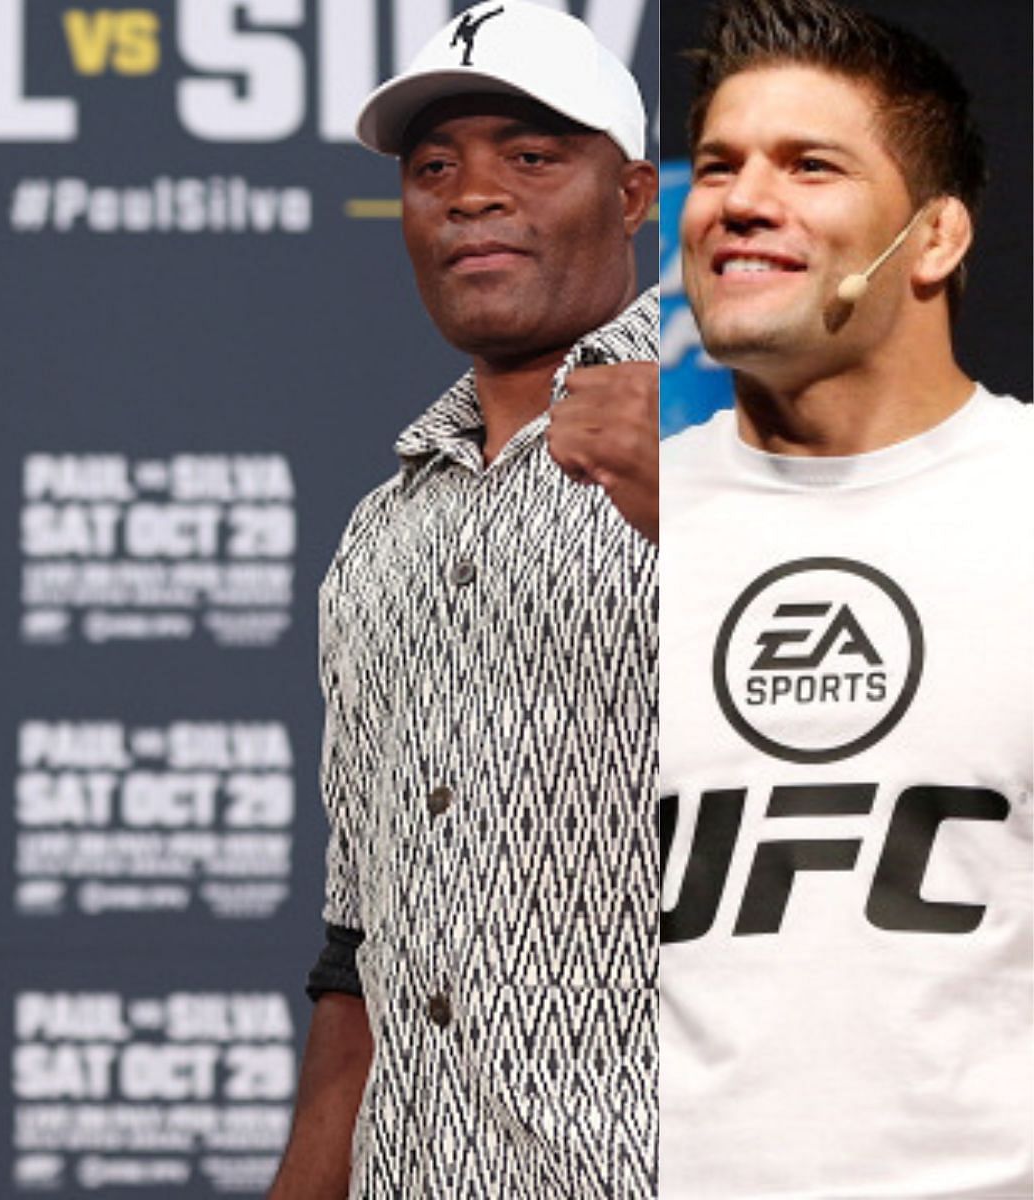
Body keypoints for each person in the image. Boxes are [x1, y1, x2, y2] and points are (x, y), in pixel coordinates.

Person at [267, 3, 660, 1196]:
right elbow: (358, 949)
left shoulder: (753, 437)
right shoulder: (381, 534)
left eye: (531, 158)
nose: (471, 194)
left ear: (637, 195)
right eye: (434, 168)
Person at [661, 0, 1032, 1194]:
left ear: (934, 240)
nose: (740, 202)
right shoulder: (600, 533)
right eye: (719, 166)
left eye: (809, 166)